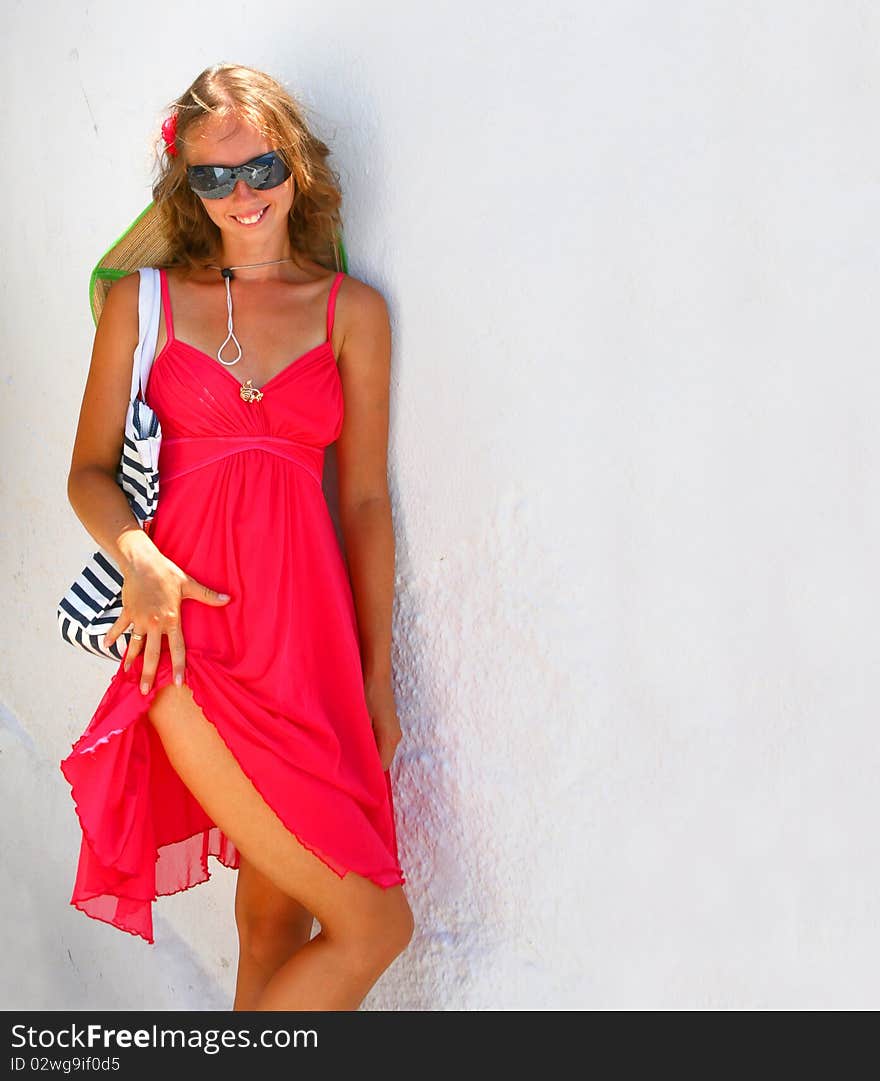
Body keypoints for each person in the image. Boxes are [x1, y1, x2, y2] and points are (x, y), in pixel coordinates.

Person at [60, 63, 414, 1011]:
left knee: (275, 923)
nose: (242, 196)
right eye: (214, 178)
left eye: (258, 168)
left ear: (294, 163)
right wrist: (141, 564)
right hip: (187, 645)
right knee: (378, 925)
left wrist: (376, 677)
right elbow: (88, 471)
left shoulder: (353, 313)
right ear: (188, 185)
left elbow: (367, 504)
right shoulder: (145, 306)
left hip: (313, 655)